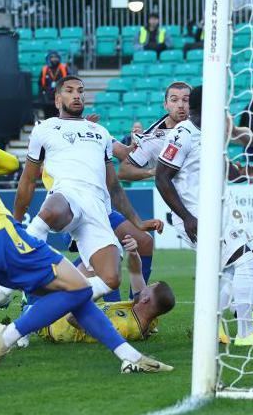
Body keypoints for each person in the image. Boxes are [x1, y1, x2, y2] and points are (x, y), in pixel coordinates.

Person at [0, 118, 172, 376]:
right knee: (79, 287)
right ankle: (5, 336)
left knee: (75, 295)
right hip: (6, 236)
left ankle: (131, 358)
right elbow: (7, 163)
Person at [13, 76, 163, 306]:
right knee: (52, 216)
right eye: (70, 91)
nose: (76, 95)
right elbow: (27, 180)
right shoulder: (45, 129)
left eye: (80, 91)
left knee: (113, 274)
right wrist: (16, 221)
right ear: (57, 99)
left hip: (98, 208)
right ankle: (22, 291)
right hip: (66, 203)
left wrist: (138, 220)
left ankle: (48, 297)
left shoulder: (99, 131)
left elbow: (114, 180)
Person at [155, 86, 253, 346]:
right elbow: (162, 178)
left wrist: (243, 172)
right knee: (243, 261)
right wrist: (187, 217)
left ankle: (208, 323)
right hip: (196, 215)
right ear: (204, 107)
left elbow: (219, 168)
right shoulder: (183, 134)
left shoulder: (211, 132)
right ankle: (245, 333)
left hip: (220, 209)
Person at [37, 237, 176, 344]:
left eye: (148, 287)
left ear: (146, 300)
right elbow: (136, 273)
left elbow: (72, 319)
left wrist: (94, 292)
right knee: (97, 264)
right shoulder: (146, 314)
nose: (144, 287)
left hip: (52, 324)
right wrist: (133, 251)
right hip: (58, 306)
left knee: (90, 267)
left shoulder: (124, 328)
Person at [38, 51, 68, 119]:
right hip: (48, 101)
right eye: (52, 57)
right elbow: (40, 85)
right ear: (48, 58)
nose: (54, 59)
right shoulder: (44, 70)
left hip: (61, 100)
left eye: (56, 57)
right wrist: (42, 99)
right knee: (48, 121)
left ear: (59, 58)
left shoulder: (64, 68)